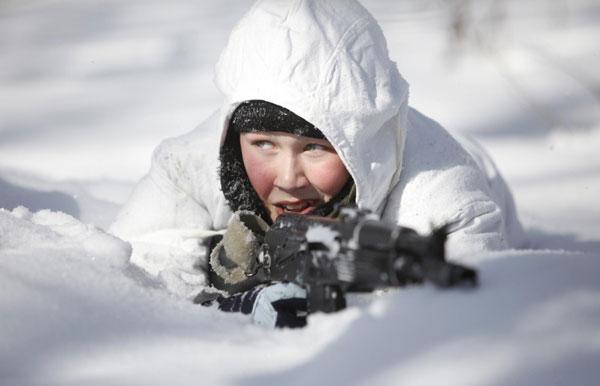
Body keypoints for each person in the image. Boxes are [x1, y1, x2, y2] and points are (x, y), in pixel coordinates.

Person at [110, 0, 524, 327]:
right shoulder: (188, 163)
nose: (289, 179)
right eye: (264, 145)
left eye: (315, 148)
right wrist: (228, 289)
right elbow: (121, 270)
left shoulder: (445, 194)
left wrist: (351, 303)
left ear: (358, 144)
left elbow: (474, 313)